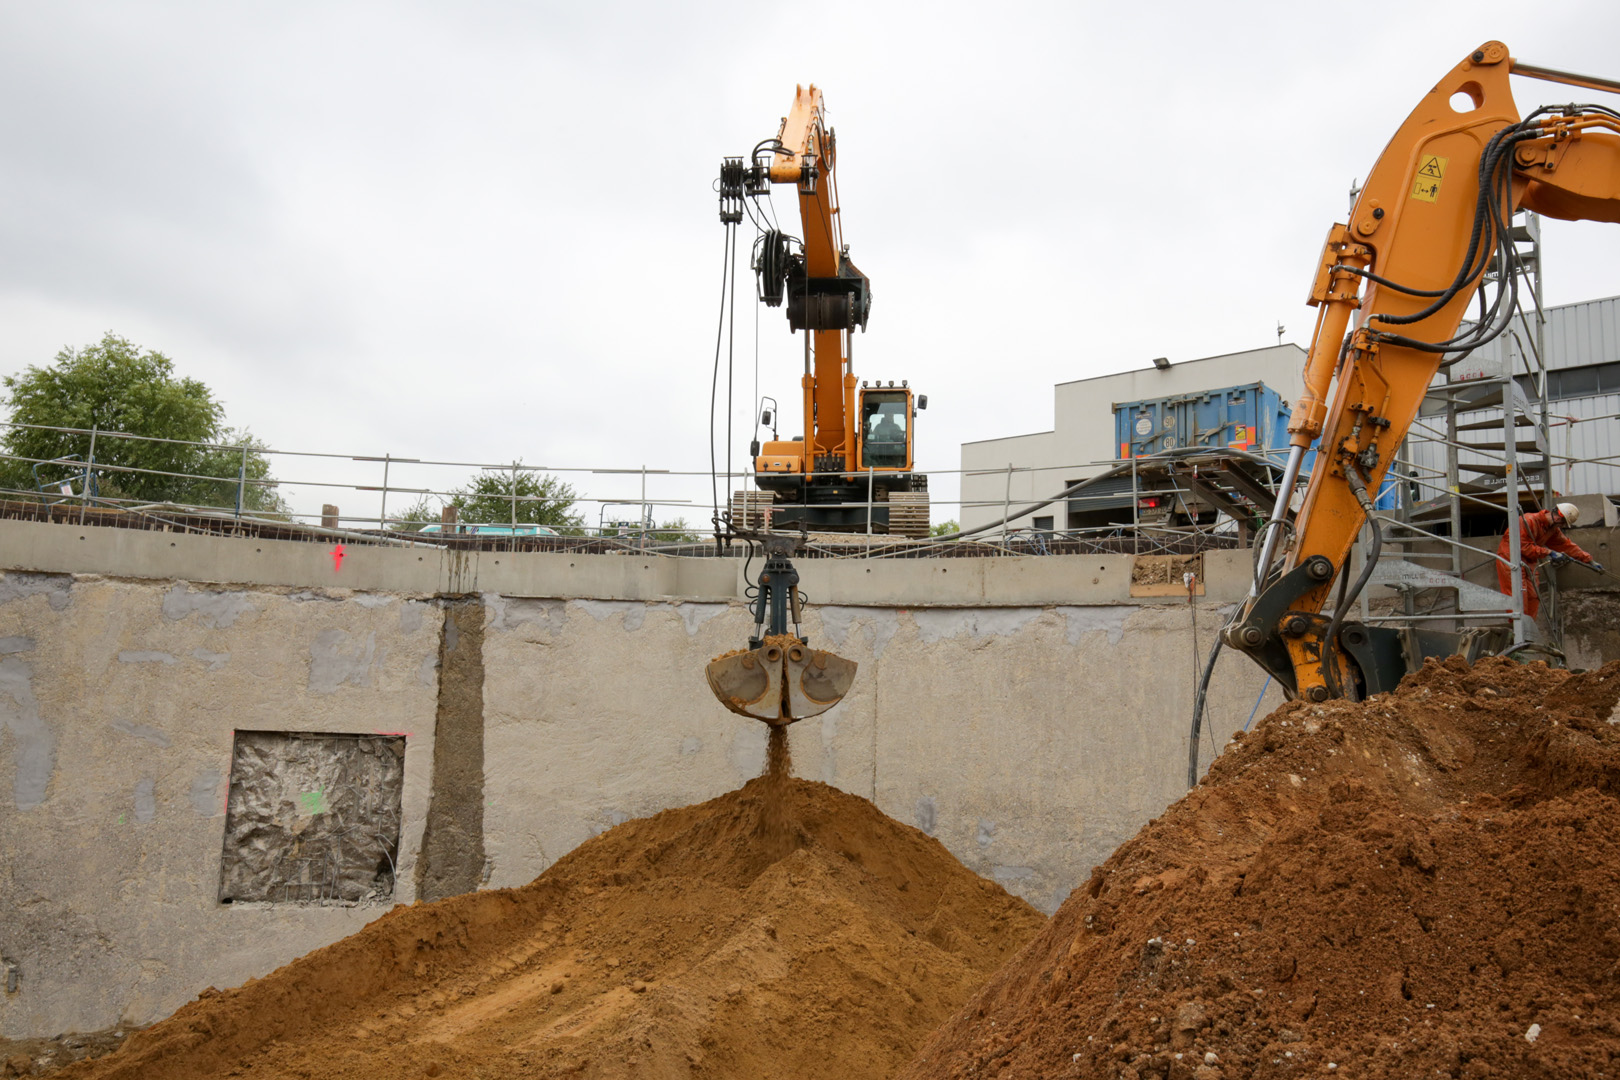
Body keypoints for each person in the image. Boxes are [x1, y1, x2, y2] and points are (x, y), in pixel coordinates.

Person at [1496, 501, 1604, 619]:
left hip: (1529, 561)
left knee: (1533, 596)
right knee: (1518, 596)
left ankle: (1528, 629)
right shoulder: (1527, 521)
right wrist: (1549, 552)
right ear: (1557, 514)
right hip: (1510, 559)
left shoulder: (1551, 529)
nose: (1561, 525)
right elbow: (1520, 546)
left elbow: (1566, 546)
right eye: (1562, 522)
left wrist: (1589, 560)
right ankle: (1517, 629)